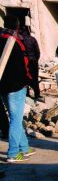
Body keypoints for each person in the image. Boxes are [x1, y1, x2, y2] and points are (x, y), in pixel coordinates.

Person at [0, 15, 34, 163]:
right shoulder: (16, 41)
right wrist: (29, 81)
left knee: (16, 117)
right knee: (16, 119)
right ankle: (13, 153)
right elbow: (24, 65)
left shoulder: (1, 39)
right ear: (17, 26)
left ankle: (24, 148)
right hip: (16, 86)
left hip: (2, 85)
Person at [19, 27, 42, 101]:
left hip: (24, 62)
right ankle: (37, 95)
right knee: (35, 78)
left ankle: (27, 94)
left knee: (25, 78)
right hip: (33, 61)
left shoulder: (19, 40)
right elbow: (37, 52)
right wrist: (36, 59)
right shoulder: (32, 39)